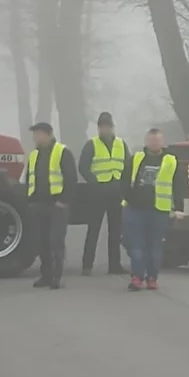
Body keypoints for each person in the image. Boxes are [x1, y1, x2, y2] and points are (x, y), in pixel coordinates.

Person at [120, 128, 178, 291]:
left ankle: (152, 278)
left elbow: (179, 185)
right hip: (135, 209)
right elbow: (124, 180)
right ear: (146, 141)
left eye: (157, 140)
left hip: (159, 211)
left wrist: (178, 208)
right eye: (151, 140)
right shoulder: (136, 159)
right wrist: (127, 197)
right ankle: (137, 277)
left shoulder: (171, 161)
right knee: (136, 246)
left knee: (155, 247)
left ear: (162, 142)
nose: (154, 143)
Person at [25, 122, 77, 289]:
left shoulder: (62, 152)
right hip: (38, 205)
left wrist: (63, 201)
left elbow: (70, 178)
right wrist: (30, 200)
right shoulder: (34, 155)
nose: (35, 138)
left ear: (47, 134)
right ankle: (45, 275)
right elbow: (29, 178)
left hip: (57, 205)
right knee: (41, 242)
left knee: (55, 241)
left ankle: (57, 276)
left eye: (37, 134)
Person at [78, 112, 129, 275]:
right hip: (98, 194)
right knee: (93, 230)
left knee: (115, 231)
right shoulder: (91, 144)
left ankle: (114, 265)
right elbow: (83, 167)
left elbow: (128, 167)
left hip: (117, 192)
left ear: (112, 127)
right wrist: (94, 182)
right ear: (98, 128)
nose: (105, 130)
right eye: (102, 127)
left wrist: (125, 187)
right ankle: (87, 266)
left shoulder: (121, 144)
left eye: (107, 126)